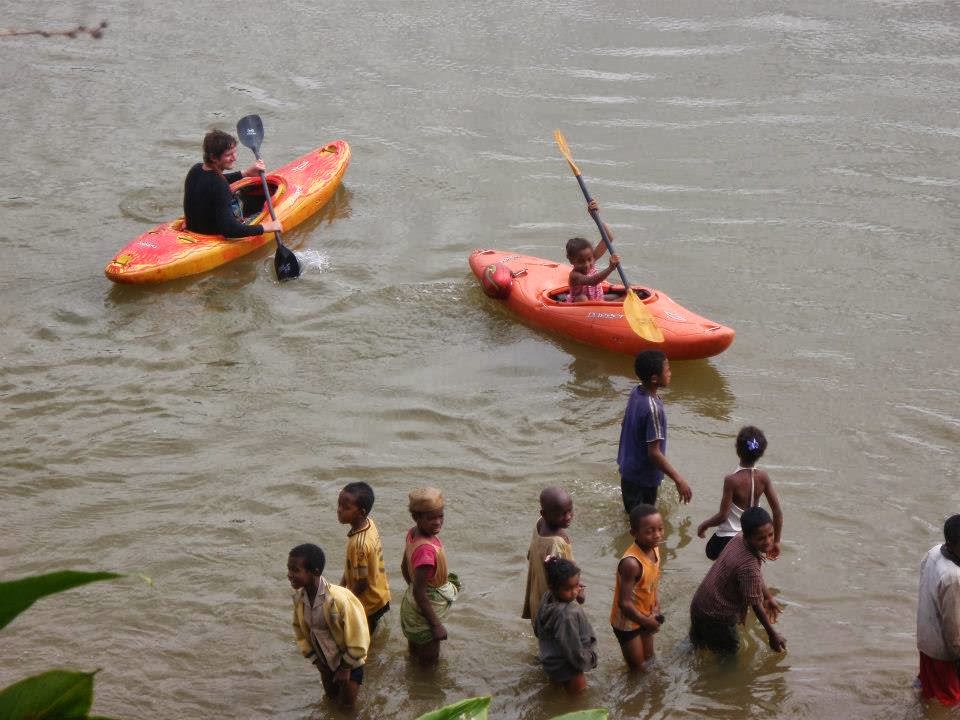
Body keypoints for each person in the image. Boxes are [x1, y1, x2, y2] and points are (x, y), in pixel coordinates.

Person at [689, 506, 785, 656]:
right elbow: (755, 603)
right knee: (729, 658)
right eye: (761, 538)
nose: (768, 541)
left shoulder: (739, 538)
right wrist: (772, 634)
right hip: (717, 617)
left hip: (699, 605)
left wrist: (768, 596)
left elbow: (754, 578)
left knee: (695, 648)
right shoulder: (748, 564)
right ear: (748, 536)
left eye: (771, 535)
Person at [288, 543, 370, 708]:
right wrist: (317, 661)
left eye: (295, 570)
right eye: (289, 569)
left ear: (315, 572)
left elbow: (358, 637)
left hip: (350, 663)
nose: (289, 575)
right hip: (325, 662)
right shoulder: (299, 599)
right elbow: (300, 631)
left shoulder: (338, 600)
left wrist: (345, 668)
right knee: (331, 700)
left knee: (347, 708)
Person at [617, 349, 692, 513]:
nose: (670, 373)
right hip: (643, 478)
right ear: (654, 379)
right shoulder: (654, 410)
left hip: (629, 471)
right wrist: (679, 480)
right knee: (644, 524)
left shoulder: (636, 392)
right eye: (667, 370)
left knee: (634, 517)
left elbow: (624, 423)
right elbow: (654, 453)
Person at [697, 426, 783, 561]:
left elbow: (722, 516)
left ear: (737, 449)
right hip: (752, 538)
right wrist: (776, 541)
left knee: (710, 551)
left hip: (728, 538)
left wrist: (704, 525)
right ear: (761, 452)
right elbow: (777, 512)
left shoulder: (732, 480)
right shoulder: (763, 477)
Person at [182, 129, 283, 238]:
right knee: (258, 205)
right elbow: (230, 230)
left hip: (194, 228)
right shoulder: (220, 185)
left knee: (242, 197)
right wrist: (266, 227)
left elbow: (213, 181)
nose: (234, 157)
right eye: (229, 155)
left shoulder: (196, 169)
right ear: (213, 157)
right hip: (213, 235)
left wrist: (245, 173)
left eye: (234, 152)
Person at [400, 487, 461, 664]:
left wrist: (413, 593)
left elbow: (404, 567)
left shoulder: (412, 533)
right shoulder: (426, 551)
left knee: (414, 653)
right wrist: (436, 625)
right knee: (429, 663)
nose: (437, 522)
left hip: (412, 606)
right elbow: (421, 593)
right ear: (416, 517)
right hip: (425, 609)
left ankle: (412, 683)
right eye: (430, 518)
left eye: (440, 516)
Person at [610, 504, 664, 670]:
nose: (657, 535)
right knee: (638, 669)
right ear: (634, 533)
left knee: (650, 660)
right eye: (649, 531)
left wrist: (655, 608)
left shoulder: (655, 549)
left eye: (660, 529)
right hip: (627, 623)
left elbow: (652, 583)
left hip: (645, 615)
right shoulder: (631, 563)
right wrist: (647, 622)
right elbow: (624, 603)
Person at [533, 556, 598, 693]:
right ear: (553, 587)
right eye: (568, 589)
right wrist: (590, 659)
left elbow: (537, 629)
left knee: (557, 693)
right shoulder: (567, 615)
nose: (575, 591)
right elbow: (574, 652)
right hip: (571, 669)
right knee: (579, 701)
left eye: (577, 585)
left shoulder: (547, 597)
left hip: (552, 660)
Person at [916, 514, 960, 706]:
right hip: (944, 652)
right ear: (954, 545)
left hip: (925, 638)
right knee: (949, 702)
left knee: (927, 690)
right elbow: (954, 627)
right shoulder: (953, 577)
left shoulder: (934, 552)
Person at [522, 487, 582, 624]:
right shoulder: (556, 543)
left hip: (537, 599)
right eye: (560, 514)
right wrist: (579, 592)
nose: (568, 517)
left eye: (569, 511)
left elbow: (530, 554)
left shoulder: (539, 524)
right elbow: (562, 582)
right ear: (544, 514)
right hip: (554, 610)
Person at [337, 482, 391, 633]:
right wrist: (341, 587)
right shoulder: (369, 524)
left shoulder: (358, 544)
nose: (339, 510)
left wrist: (346, 602)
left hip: (368, 605)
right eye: (339, 504)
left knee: (361, 642)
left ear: (361, 512)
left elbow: (362, 582)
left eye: (346, 507)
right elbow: (353, 566)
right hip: (380, 595)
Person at [565, 199, 620, 303]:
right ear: (571, 260)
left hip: (597, 299)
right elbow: (592, 281)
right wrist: (610, 268)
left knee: (624, 294)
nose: (587, 264)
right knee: (582, 298)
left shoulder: (592, 259)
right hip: (581, 304)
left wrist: (596, 217)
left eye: (589, 259)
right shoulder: (575, 275)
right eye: (581, 261)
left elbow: (608, 238)